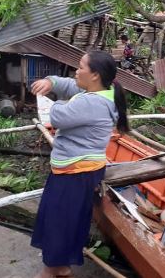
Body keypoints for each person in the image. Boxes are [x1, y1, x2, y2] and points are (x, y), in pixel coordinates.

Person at [30, 51, 129, 278]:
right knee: (68, 220)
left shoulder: (91, 102)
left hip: (75, 173)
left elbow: (55, 116)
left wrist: (55, 102)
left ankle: (49, 271)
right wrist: (51, 82)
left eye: (81, 67)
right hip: (80, 170)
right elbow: (70, 86)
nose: (76, 71)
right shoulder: (104, 91)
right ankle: (62, 269)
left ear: (94, 75)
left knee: (59, 224)